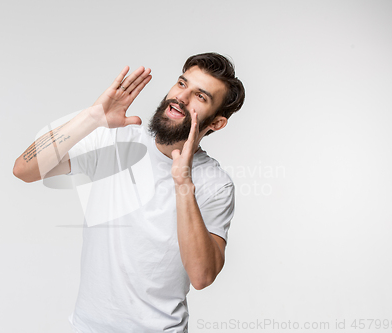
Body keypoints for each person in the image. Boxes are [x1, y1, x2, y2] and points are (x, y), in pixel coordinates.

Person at [13, 52, 245, 332]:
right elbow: (25, 169)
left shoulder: (215, 183)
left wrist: (183, 184)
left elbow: (202, 276)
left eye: (200, 96)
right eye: (182, 84)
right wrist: (91, 118)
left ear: (217, 123)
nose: (181, 97)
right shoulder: (118, 139)